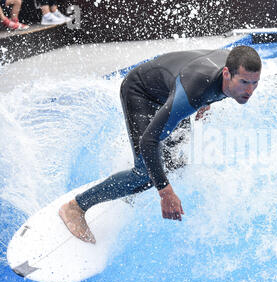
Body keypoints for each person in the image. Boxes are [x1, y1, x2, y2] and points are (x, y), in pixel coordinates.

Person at [58, 46, 262, 244]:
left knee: (175, 164)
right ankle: (76, 207)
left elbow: (202, 75)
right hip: (142, 92)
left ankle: (125, 189)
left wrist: (205, 102)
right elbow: (150, 140)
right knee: (147, 175)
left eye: (255, 83)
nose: (250, 90)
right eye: (244, 82)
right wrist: (166, 193)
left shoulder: (231, 65)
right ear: (226, 73)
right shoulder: (195, 91)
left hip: (172, 91)